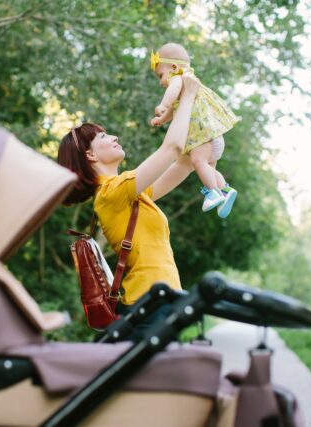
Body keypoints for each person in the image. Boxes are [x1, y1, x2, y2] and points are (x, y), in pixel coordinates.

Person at [57, 72, 201, 340]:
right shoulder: (112, 192)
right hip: (150, 305)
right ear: (89, 154)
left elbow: (184, 162)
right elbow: (172, 148)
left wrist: (188, 108)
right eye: (102, 137)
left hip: (161, 302)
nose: (113, 137)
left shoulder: (133, 194)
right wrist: (189, 94)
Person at [150, 42, 240, 218]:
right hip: (213, 136)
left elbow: (172, 92)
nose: (161, 82)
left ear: (174, 67)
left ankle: (212, 192)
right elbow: (174, 109)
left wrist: (162, 104)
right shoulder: (190, 81)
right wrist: (163, 118)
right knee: (209, 168)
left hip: (202, 137)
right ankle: (225, 191)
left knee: (198, 161)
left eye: (160, 75)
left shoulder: (179, 77)